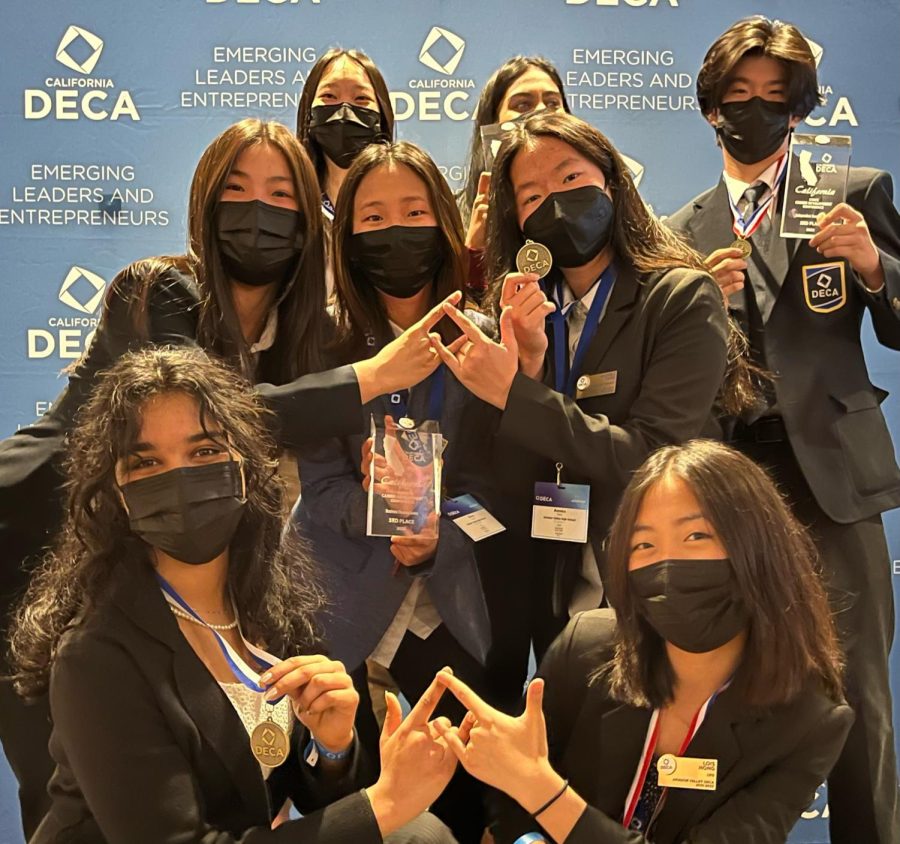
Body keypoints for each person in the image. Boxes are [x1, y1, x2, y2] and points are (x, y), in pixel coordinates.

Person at [0, 118, 452, 839]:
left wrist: (336, 747)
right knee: (85, 786)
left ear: (310, 224)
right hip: (31, 546)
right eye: (235, 191)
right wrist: (372, 377)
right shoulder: (158, 291)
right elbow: (206, 408)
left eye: (281, 195)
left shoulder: (296, 341)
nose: (258, 212)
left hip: (158, 569)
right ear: (204, 208)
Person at [8, 346, 459, 844]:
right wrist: (384, 805)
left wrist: (334, 749)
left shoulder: (277, 606)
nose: (179, 478)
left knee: (423, 833)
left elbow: (312, 802)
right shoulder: (96, 657)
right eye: (146, 462)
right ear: (116, 492)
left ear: (245, 467)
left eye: (203, 452)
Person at [665, 17, 900, 844]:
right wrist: (696, 297)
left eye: (774, 99)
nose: (754, 114)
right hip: (725, 484)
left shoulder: (854, 191)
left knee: (859, 697)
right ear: (709, 110)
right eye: (738, 98)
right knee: (714, 689)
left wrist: (876, 268)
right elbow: (668, 376)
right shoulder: (677, 232)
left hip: (830, 477)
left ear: (799, 108)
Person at [430, 111, 742, 709]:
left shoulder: (680, 297)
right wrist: (527, 367)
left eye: (570, 178)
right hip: (556, 594)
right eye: (532, 194)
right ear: (517, 221)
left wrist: (516, 394)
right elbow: (512, 483)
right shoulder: (527, 315)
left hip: (655, 587)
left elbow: (653, 457)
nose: (556, 201)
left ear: (612, 182)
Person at [433, 439, 853, 844]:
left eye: (696, 537)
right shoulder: (587, 645)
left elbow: (529, 781)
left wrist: (543, 792)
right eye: (644, 544)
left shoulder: (809, 722)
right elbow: (511, 794)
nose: (668, 565)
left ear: (759, 548)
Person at [293, 140, 497, 843]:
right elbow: (314, 488)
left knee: (467, 797)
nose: (395, 230)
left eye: (413, 211)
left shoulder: (486, 341)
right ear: (346, 237)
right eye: (372, 217)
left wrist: (445, 532)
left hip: (454, 604)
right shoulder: (323, 344)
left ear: (443, 221)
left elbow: (502, 492)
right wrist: (374, 510)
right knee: (343, 803)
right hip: (340, 606)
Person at [458, 56, 569, 297]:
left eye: (552, 103)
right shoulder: (457, 216)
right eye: (522, 105)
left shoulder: (592, 202)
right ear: (493, 120)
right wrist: (475, 256)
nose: (541, 112)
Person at [296, 49, 394, 226]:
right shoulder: (292, 199)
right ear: (308, 111)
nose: (344, 112)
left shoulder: (403, 196)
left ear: (381, 113)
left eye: (361, 98)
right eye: (329, 96)